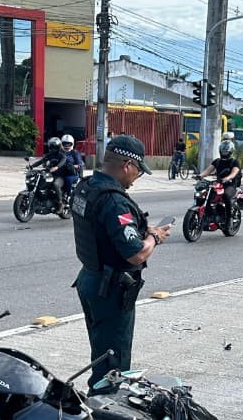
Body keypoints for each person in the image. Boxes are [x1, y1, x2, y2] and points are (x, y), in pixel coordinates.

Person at [70, 135, 171, 387]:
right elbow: (135, 253)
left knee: (101, 354)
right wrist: (154, 237)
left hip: (90, 279)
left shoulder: (87, 186)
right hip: (111, 290)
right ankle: (104, 419)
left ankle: (97, 410)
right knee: (113, 365)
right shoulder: (114, 201)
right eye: (138, 172)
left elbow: (101, 231)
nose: (136, 179)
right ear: (127, 165)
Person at [58, 133, 84, 199]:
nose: (66, 145)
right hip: (61, 172)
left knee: (68, 179)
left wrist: (70, 165)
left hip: (72, 174)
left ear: (72, 143)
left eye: (68, 143)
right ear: (61, 143)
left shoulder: (74, 153)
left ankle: (68, 195)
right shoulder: (59, 152)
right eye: (65, 143)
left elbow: (79, 165)